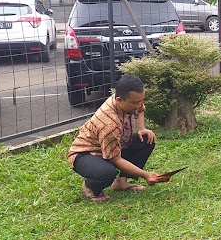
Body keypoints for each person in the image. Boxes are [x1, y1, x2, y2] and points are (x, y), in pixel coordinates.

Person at [67, 75, 161, 203]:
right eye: (135, 103)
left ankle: (121, 183)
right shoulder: (109, 123)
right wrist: (145, 175)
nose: (139, 105)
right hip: (84, 154)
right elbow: (115, 159)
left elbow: (140, 108)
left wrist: (142, 128)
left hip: (112, 145)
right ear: (119, 100)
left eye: (141, 100)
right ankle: (90, 186)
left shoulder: (129, 100)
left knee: (146, 140)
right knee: (107, 172)